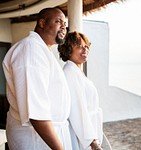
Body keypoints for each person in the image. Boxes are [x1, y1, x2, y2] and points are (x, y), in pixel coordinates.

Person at [2, 7, 72, 150]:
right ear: (42, 23)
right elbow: (36, 113)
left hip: (48, 135)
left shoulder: (41, 50)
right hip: (36, 139)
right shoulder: (31, 50)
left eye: (65, 23)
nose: (63, 26)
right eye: (58, 21)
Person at [58, 31, 103, 150]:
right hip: (82, 136)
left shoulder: (77, 72)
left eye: (86, 46)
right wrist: (92, 142)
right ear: (68, 50)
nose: (85, 50)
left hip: (88, 133)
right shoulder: (69, 73)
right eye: (79, 47)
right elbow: (77, 110)